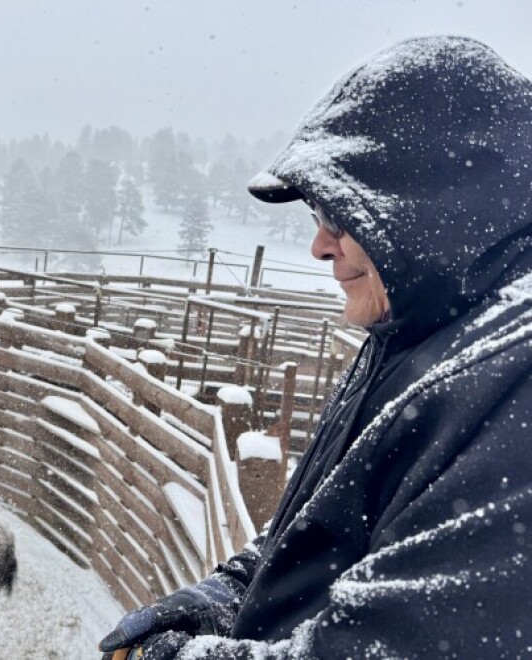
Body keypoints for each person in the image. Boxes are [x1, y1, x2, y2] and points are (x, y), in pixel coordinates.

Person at [99, 35, 532, 659]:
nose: (319, 246)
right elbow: (315, 541)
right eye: (316, 218)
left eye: (340, 215)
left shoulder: (509, 383)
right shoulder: (412, 335)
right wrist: (223, 600)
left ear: (428, 208)